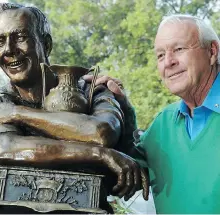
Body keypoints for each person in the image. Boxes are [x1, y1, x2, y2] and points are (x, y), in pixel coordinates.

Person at [0, 2, 149, 207]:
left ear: (46, 44)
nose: (9, 50)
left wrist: (17, 113)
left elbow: (100, 133)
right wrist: (98, 154)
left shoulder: (93, 90)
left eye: (20, 37)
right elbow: (5, 148)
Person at [84, 14, 220, 214]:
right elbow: (130, 171)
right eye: (160, 55)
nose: (168, 62)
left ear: (212, 51)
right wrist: (122, 107)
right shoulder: (164, 123)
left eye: (179, 49)